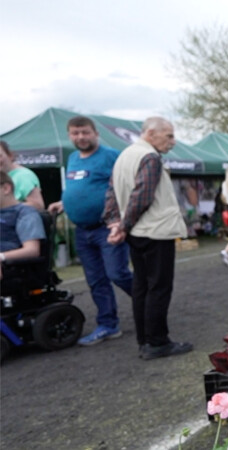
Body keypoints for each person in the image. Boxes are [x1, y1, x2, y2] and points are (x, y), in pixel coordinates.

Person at [103, 117, 191, 360]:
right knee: (158, 288)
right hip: (155, 230)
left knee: (141, 286)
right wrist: (123, 224)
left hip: (137, 233)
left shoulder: (124, 156)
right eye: (169, 135)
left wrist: (114, 222)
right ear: (151, 133)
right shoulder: (149, 157)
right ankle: (157, 342)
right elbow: (142, 195)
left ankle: (145, 340)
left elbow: (111, 190)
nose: (173, 141)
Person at [46, 116, 133, 346]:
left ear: (96, 133)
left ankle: (150, 304)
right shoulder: (73, 158)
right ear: (70, 136)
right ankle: (108, 325)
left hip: (108, 228)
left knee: (117, 274)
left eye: (85, 132)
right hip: (82, 231)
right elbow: (80, 187)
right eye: (75, 133)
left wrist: (121, 220)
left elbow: (128, 186)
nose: (80, 137)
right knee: (96, 280)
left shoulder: (111, 156)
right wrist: (64, 203)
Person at [0, 171, 45, 280]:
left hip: (13, 269)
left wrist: (1, 257)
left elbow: (32, 250)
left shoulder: (25, 213)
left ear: (6, 188)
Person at [0, 140, 45, 210]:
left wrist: (9, 207)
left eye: (0, 156)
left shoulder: (23, 176)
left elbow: (38, 205)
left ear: (10, 155)